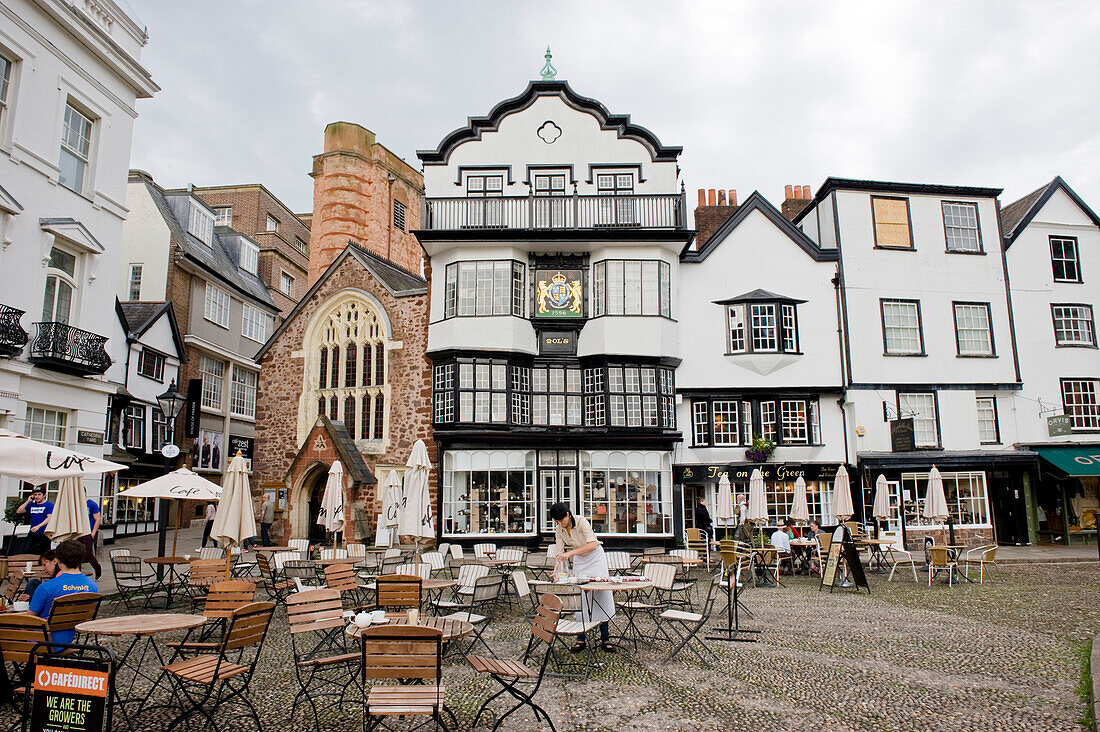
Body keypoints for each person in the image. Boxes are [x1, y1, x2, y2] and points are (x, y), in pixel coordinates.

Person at [549, 502, 615, 653]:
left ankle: (605, 637)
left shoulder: (581, 521)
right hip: (580, 558)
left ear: (567, 515)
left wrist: (571, 553)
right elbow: (559, 553)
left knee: (600, 594)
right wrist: (556, 571)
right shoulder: (559, 529)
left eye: (560, 520)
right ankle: (580, 638)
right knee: (581, 596)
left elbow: (592, 544)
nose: (559, 524)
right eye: (556, 522)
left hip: (595, 557)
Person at [28, 538, 97, 647]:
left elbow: (29, 618)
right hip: (71, 640)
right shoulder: (93, 587)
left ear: (58, 560)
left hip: (43, 643)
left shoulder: (46, 587)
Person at [17, 487, 54, 555]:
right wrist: (28, 501)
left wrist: (38, 526)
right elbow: (19, 511)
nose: (37, 496)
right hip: (33, 532)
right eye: (35, 494)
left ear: (44, 495)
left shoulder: (49, 505)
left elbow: (49, 518)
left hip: (45, 533)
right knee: (27, 551)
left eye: (39, 494)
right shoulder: (32, 505)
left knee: (45, 553)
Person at [81, 491, 103, 580]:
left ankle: (97, 567)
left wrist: (93, 533)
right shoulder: (75, 504)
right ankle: (77, 574)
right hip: (77, 532)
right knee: (76, 554)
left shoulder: (91, 504)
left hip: (88, 532)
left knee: (88, 553)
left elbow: (97, 519)